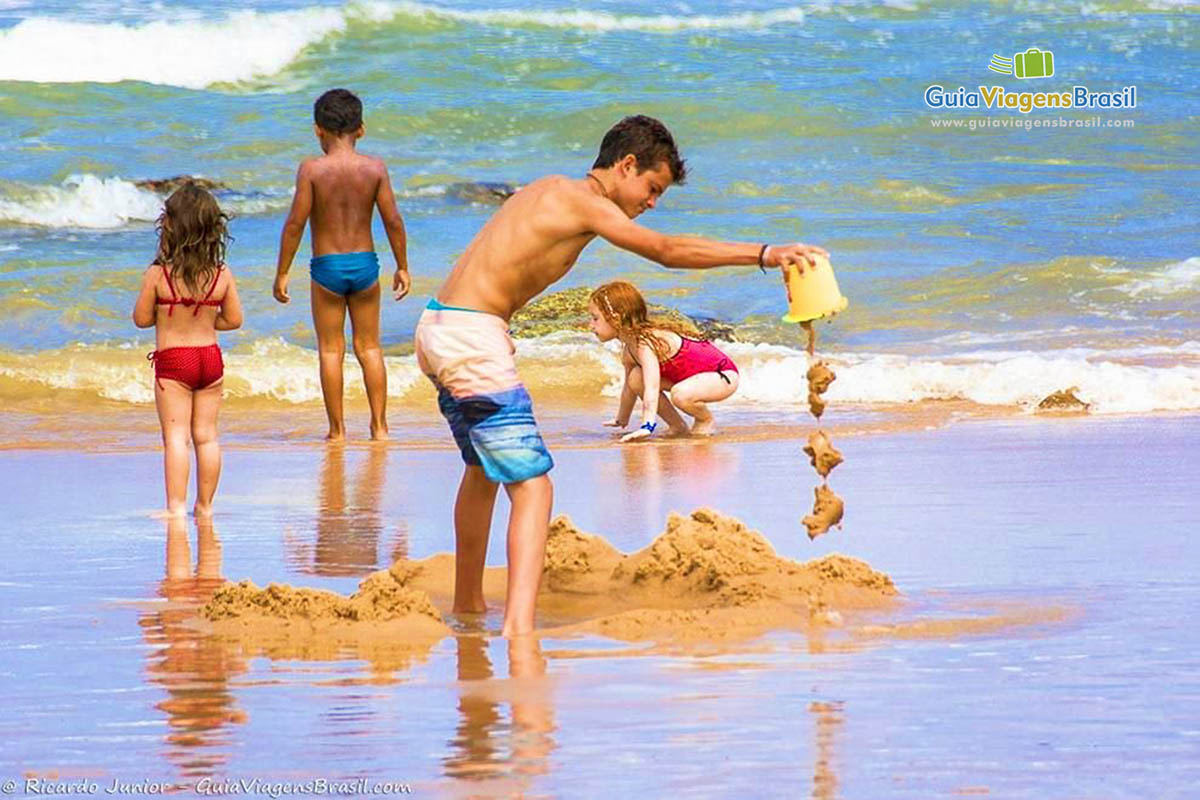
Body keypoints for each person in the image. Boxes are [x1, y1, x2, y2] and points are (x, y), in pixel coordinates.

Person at [416, 114, 827, 637]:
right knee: (534, 486)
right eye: (652, 188)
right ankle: (519, 628)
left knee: (481, 470)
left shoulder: (547, 189)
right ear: (626, 164)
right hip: (472, 337)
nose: (652, 202)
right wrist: (766, 254)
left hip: (440, 324)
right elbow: (664, 251)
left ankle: (470, 606)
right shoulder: (586, 203)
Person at [273, 88, 411, 441]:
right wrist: (402, 265)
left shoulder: (312, 170)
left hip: (327, 267)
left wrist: (283, 271)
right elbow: (393, 220)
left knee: (331, 350)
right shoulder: (375, 168)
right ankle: (380, 427)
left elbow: (295, 223)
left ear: (318, 129)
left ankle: (337, 431)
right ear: (361, 129)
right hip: (366, 264)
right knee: (370, 348)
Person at [133, 184, 243, 518]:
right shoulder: (221, 274)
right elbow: (234, 320)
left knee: (176, 438)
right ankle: (206, 507)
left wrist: (169, 318)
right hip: (210, 359)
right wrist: (207, 320)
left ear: (168, 226)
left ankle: (176, 507)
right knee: (207, 438)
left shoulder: (157, 274)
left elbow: (140, 319)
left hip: (173, 363)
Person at [588, 281, 739, 439]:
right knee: (635, 378)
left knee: (680, 395)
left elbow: (652, 387)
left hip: (722, 375)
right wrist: (621, 418)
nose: (590, 325)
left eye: (595, 318)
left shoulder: (645, 343)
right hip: (689, 380)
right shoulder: (629, 351)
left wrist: (647, 426)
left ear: (616, 319)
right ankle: (677, 426)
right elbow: (628, 388)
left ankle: (705, 419)